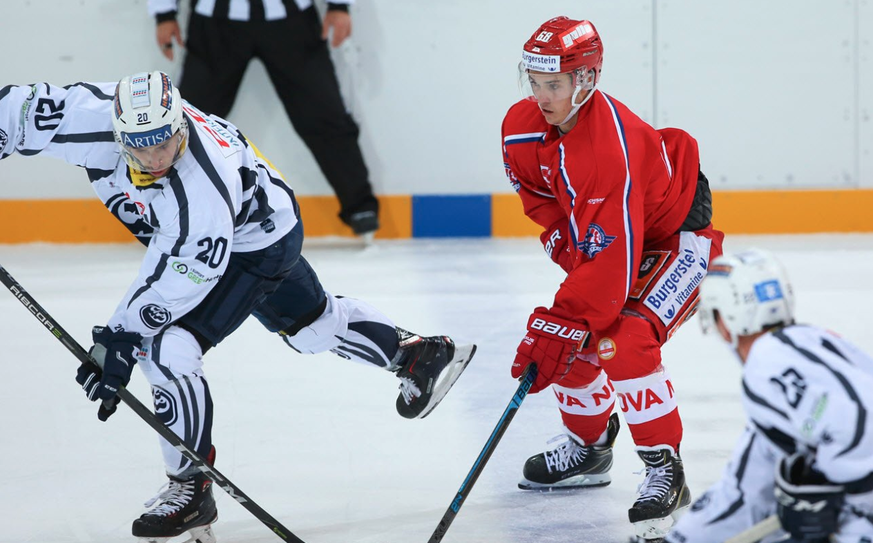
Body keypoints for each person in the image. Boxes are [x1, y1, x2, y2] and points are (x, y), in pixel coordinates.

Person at [0, 72, 475, 543]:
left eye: (163, 141)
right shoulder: (89, 117)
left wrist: (121, 338)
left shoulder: (203, 189)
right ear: (116, 130)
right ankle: (416, 354)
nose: (153, 156)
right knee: (312, 328)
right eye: (138, 145)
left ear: (179, 124)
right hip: (265, 216)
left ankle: (190, 488)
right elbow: (13, 109)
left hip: (253, 245)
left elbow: (182, 277)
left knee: (165, 347)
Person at [502, 16, 724, 540]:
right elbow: (541, 197)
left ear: (586, 80)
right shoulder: (521, 125)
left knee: (621, 338)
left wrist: (568, 312)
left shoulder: (609, 148)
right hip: (617, 237)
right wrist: (565, 243)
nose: (541, 97)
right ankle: (590, 447)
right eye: (533, 82)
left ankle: (663, 467)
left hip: (673, 239)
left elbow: (612, 266)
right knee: (572, 338)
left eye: (553, 84)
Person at [663, 249, 873, 543]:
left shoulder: (767, 362)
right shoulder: (814, 340)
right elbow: (745, 487)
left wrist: (850, 489)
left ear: (727, 317)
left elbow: (859, 418)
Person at [149, 0, 380, 237]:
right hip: (215, 24)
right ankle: (165, 209)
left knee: (324, 114)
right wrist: (164, 13)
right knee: (187, 126)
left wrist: (339, 6)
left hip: (292, 21)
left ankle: (359, 206)